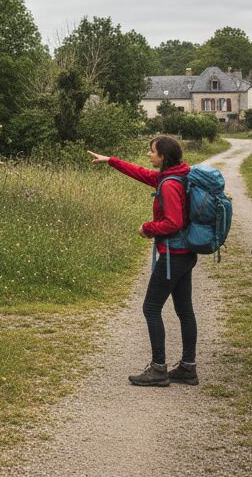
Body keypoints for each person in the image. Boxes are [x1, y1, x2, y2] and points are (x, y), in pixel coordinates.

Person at [89, 136, 197, 387]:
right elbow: (141, 173)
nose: (149, 155)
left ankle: (159, 369)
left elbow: (173, 222)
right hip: (184, 254)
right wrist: (111, 161)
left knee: (151, 308)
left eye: (152, 152)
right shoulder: (174, 175)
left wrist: (147, 228)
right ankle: (188, 368)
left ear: (163, 156)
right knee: (184, 310)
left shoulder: (169, 184)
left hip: (173, 255)